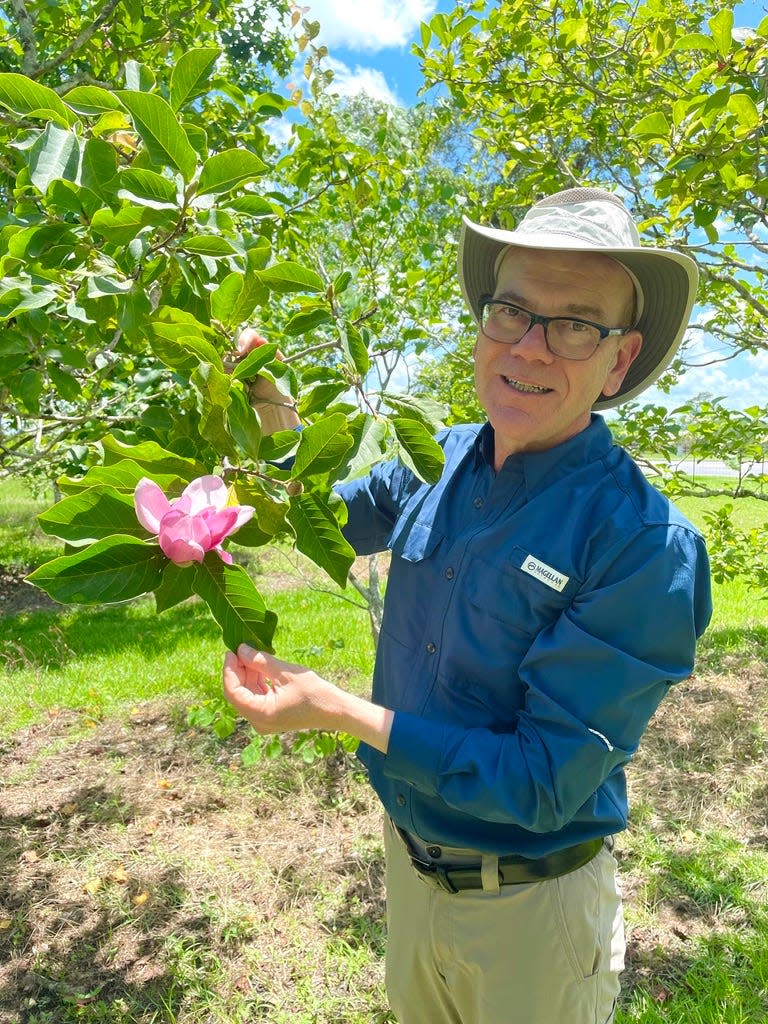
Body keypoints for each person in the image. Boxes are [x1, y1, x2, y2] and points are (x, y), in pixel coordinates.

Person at [222, 187, 713, 1024]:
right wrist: (261, 428)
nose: (530, 346)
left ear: (620, 360)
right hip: (412, 873)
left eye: (574, 325)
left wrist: (340, 712)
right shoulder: (433, 456)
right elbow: (319, 518)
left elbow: (543, 782)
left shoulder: (643, 544)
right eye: (511, 310)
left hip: (533, 913)